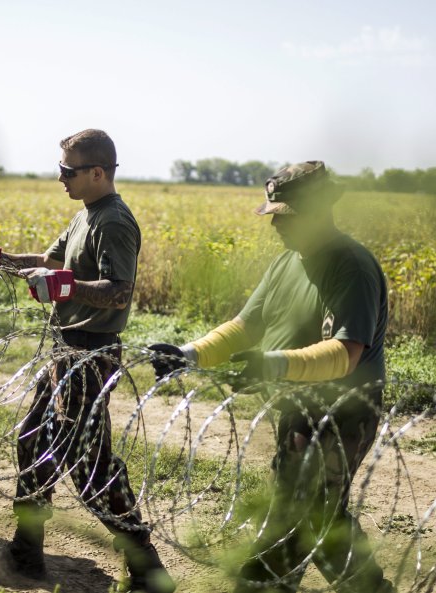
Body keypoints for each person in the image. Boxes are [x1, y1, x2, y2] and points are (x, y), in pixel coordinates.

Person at [148, 161, 394, 593]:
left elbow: (346, 352)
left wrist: (274, 364)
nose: (276, 223)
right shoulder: (287, 263)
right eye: (274, 213)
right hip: (297, 409)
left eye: (287, 214)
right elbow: (247, 325)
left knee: (296, 520)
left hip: (343, 414)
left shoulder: (350, 266)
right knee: (319, 515)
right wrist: (189, 355)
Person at [0, 129, 174, 593]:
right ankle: (26, 550)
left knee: (89, 466)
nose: (60, 178)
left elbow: (119, 291)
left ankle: (147, 566)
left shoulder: (113, 221)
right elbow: (47, 261)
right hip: (66, 351)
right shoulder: (86, 216)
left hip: (90, 354)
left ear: (97, 172)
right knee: (33, 440)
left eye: (67, 170)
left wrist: (64, 287)